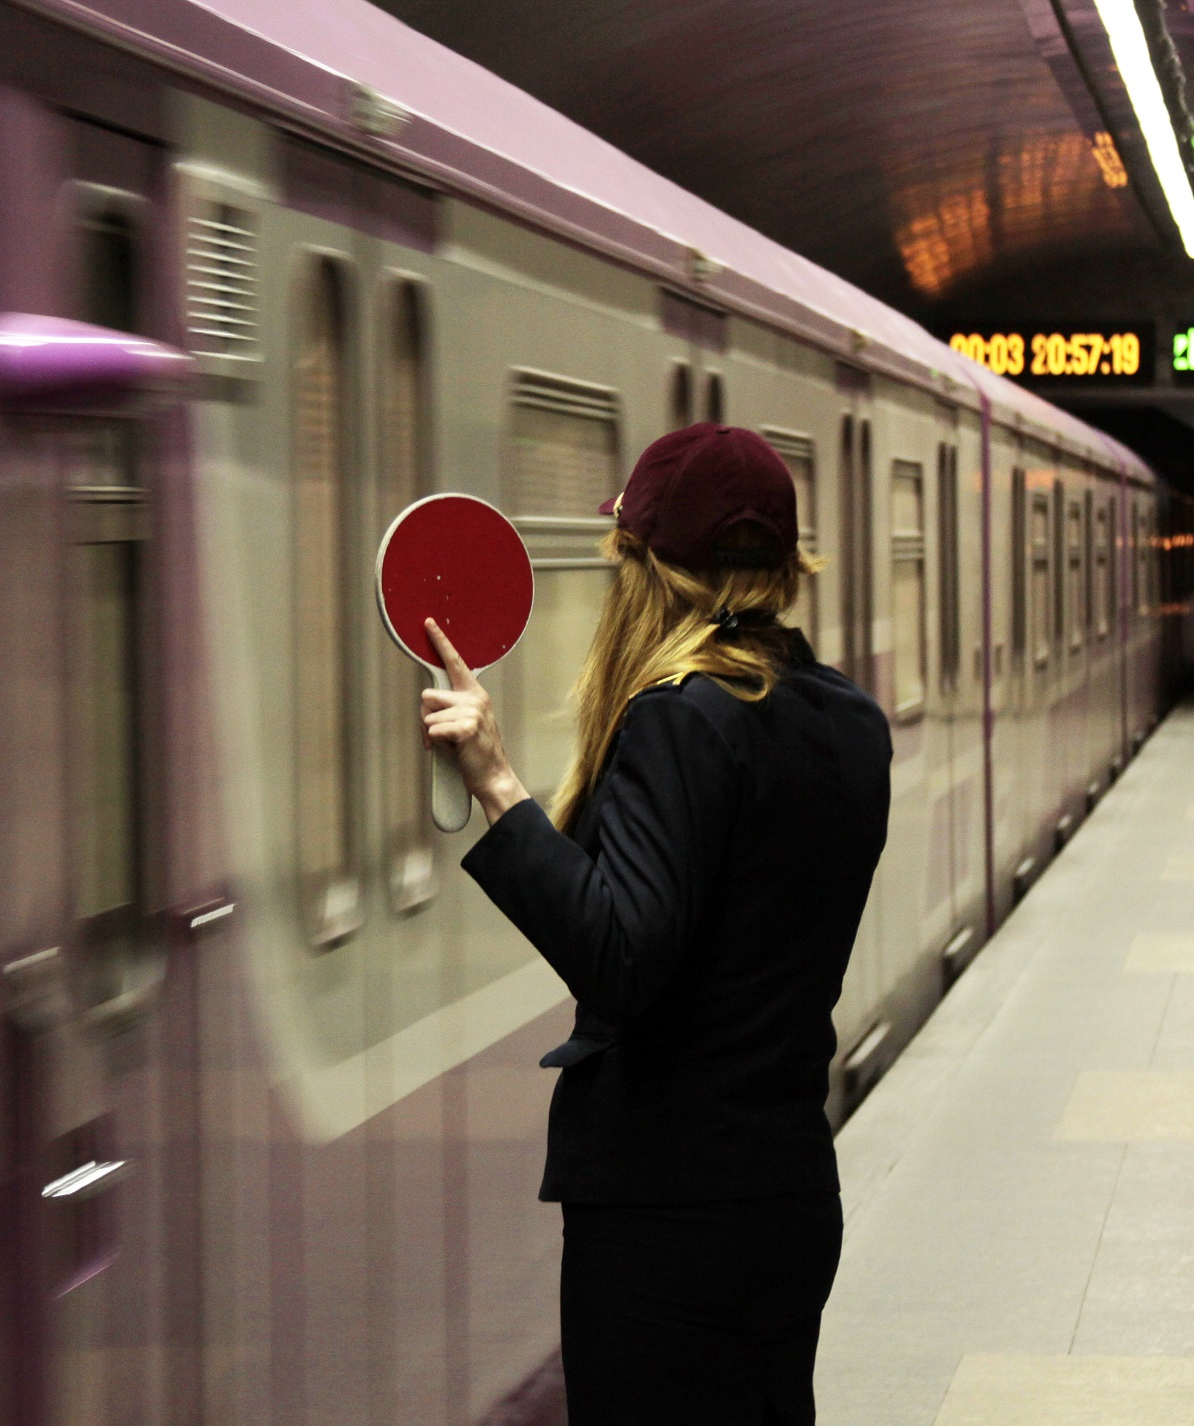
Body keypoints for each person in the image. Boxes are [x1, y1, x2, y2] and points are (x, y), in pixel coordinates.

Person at [420, 423, 893, 1426]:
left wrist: (501, 785)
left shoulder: (683, 719)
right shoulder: (851, 722)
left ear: (651, 571)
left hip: (668, 1220)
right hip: (787, 1191)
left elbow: (623, 956)